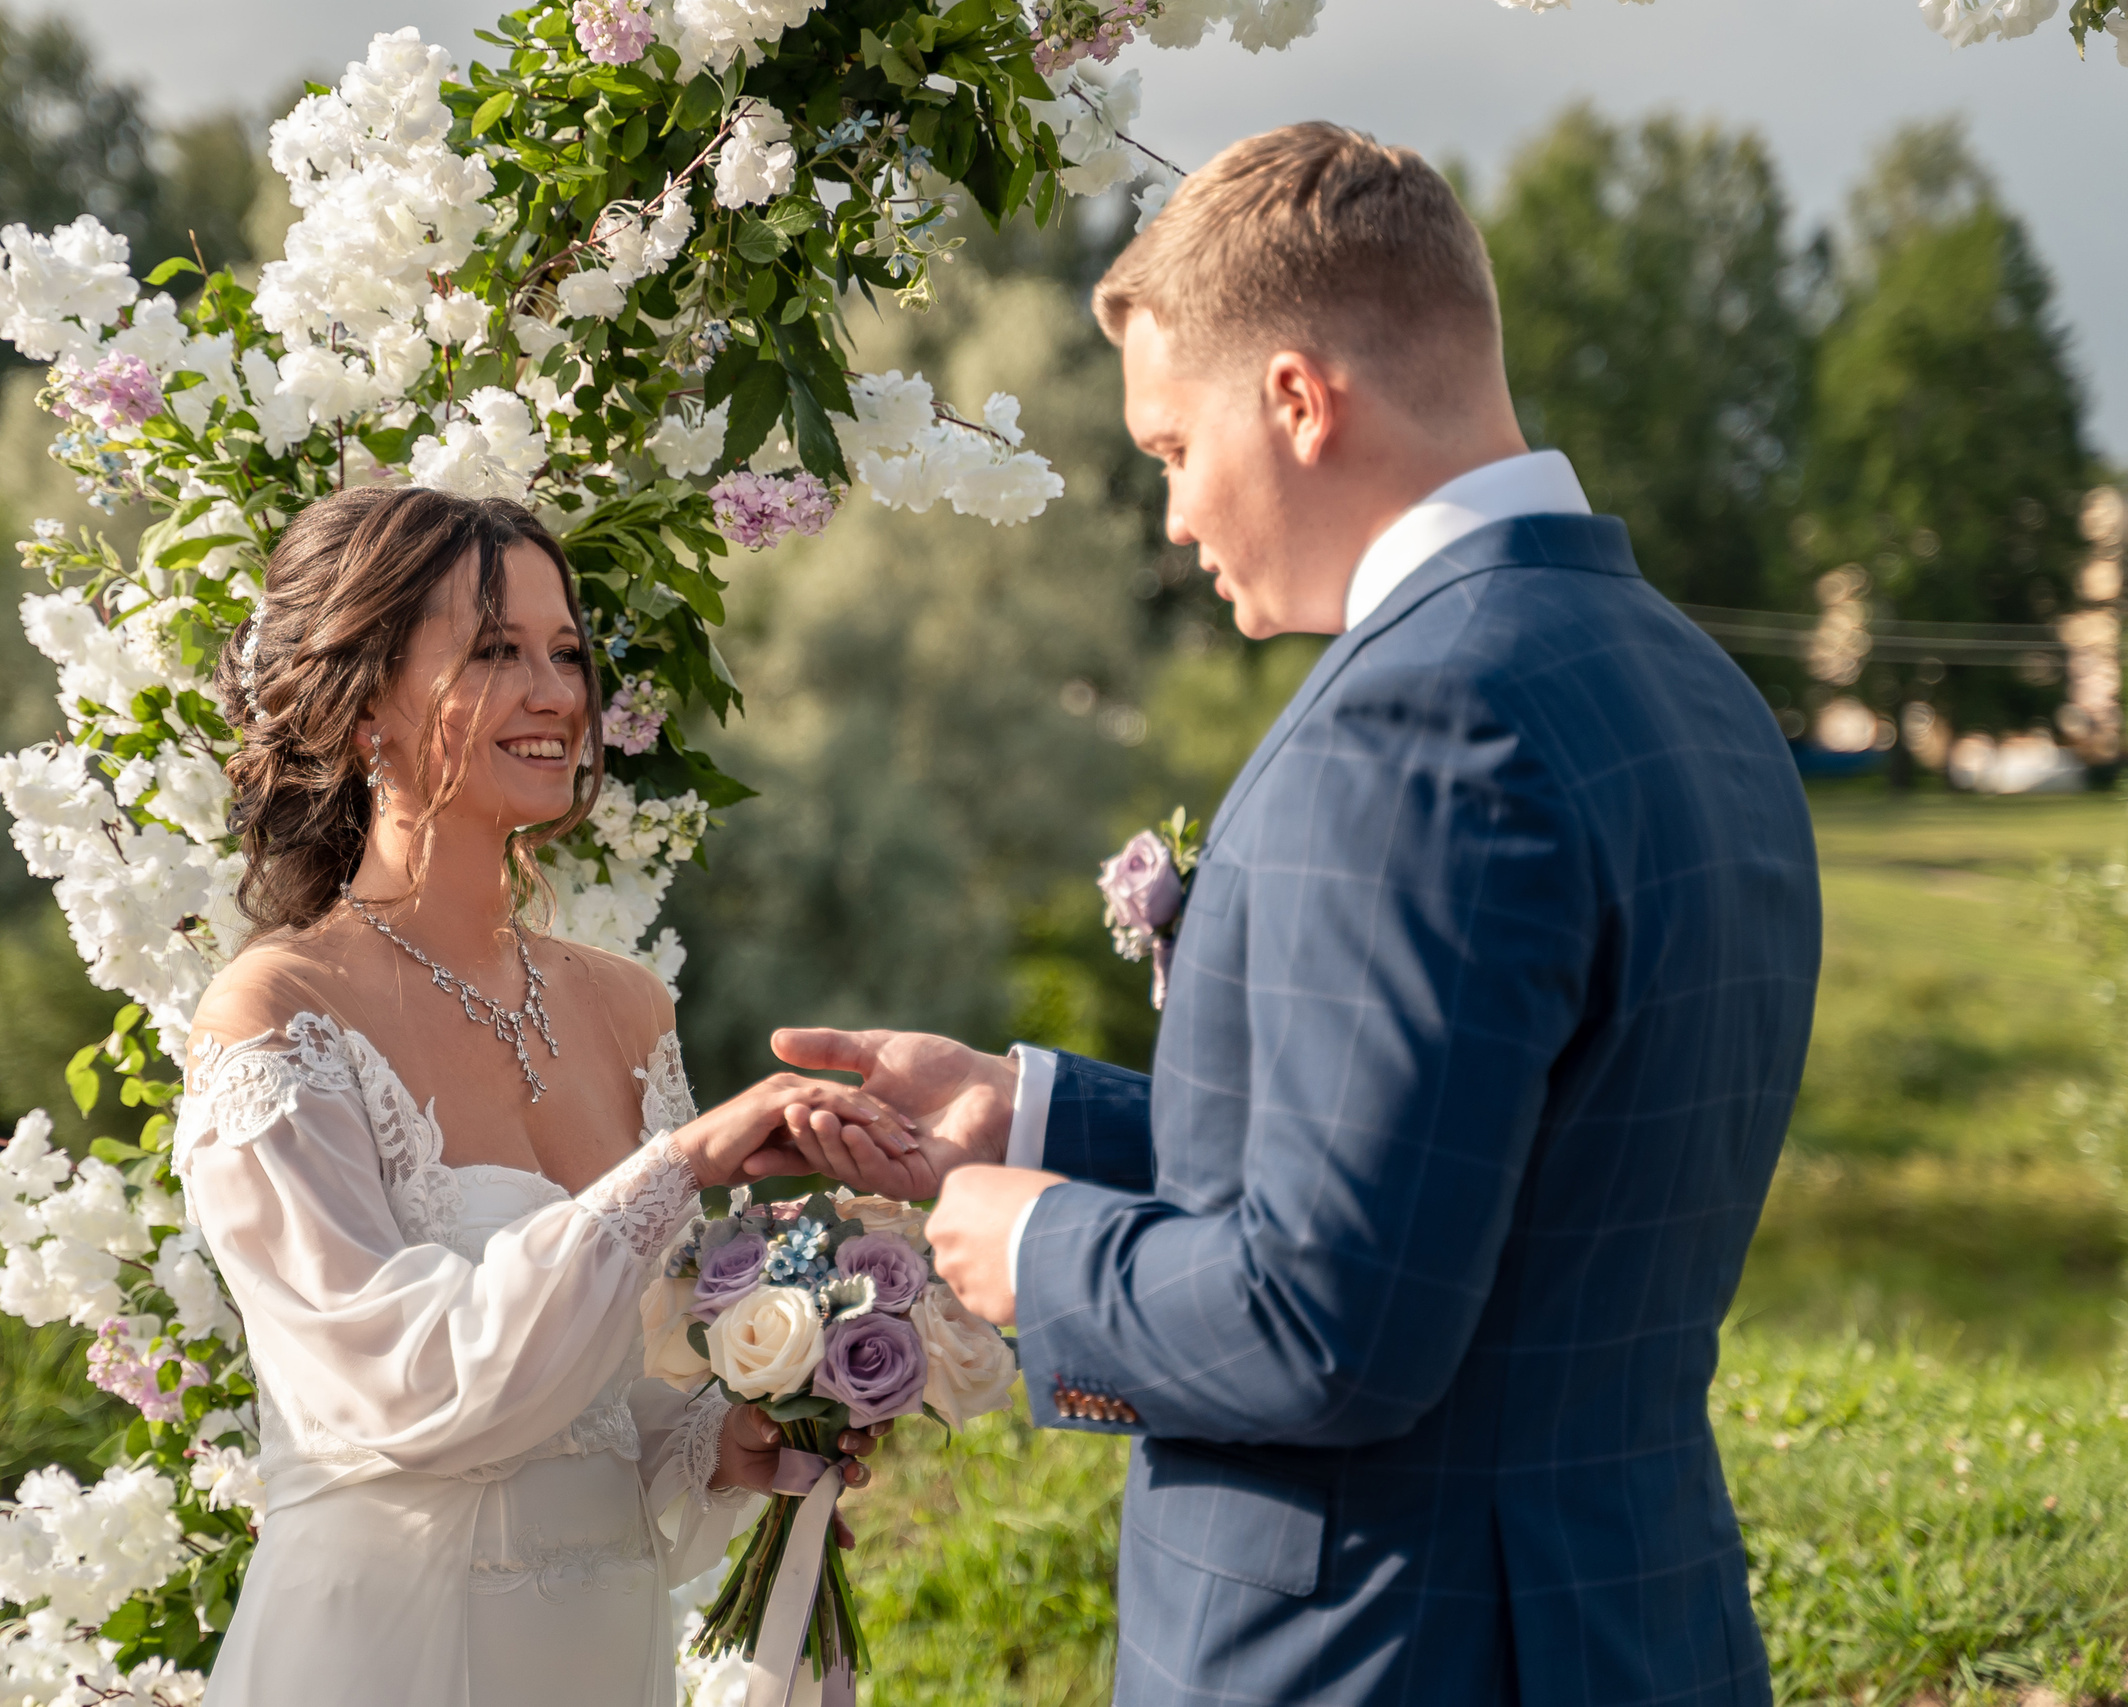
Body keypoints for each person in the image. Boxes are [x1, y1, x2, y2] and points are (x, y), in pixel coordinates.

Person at [764, 123, 1822, 1707]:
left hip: (1390, 1645)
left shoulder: (1415, 726)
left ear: (1298, 400)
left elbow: (1332, 1322)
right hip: (1630, 1617)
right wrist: (1031, 1111)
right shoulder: (1694, 686)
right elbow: (1469, 1180)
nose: (1174, 517)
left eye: (1173, 450)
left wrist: (1037, 1237)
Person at [174, 486, 907, 1706]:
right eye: (494, 650)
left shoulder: (627, 1011)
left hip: (598, 1659)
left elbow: (610, 1407)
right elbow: (407, 1386)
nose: (560, 693)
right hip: (384, 1652)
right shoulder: (277, 1016)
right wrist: (683, 1166)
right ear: (364, 707)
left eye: (566, 651)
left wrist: (728, 1441)